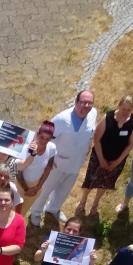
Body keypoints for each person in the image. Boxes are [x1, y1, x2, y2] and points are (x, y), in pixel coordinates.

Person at [29, 90, 99, 226]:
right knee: (46, 189)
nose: (86, 106)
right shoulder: (62, 119)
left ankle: (53, 208)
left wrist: (89, 144)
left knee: (64, 189)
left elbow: (91, 131)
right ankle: (36, 211)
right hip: (57, 163)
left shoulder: (93, 113)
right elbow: (44, 135)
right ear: (76, 102)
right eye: (83, 102)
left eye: (90, 103)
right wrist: (48, 158)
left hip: (76, 163)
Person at [74, 95, 133, 219]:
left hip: (117, 159)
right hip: (99, 155)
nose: (125, 112)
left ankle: (95, 204)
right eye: (123, 109)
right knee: (90, 179)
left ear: (132, 109)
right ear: (119, 106)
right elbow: (96, 139)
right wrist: (101, 159)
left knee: (105, 182)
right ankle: (83, 200)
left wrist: (117, 162)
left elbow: (131, 144)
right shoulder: (108, 117)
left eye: (129, 110)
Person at [15, 121, 57, 212]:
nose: (43, 141)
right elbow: (17, 170)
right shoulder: (26, 148)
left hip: (36, 186)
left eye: (47, 139)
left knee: (23, 212)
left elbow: (48, 167)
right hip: (19, 185)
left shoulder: (52, 148)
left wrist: (38, 187)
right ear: (37, 134)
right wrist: (27, 189)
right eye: (41, 137)